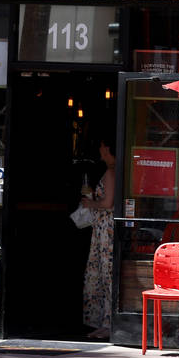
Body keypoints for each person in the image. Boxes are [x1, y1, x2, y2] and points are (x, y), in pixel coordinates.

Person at [81, 141, 116, 339]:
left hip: (106, 230)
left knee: (106, 276)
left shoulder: (111, 173)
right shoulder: (114, 170)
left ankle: (108, 323)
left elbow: (107, 203)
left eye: (103, 145)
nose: (100, 148)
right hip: (105, 229)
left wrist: (89, 202)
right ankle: (106, 322)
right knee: (105, 276)